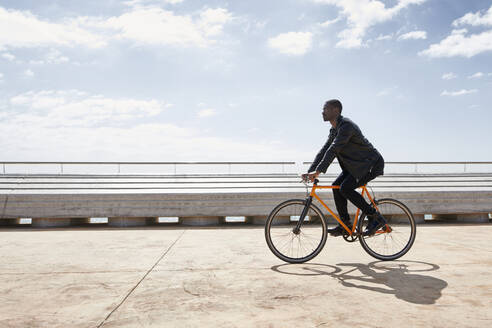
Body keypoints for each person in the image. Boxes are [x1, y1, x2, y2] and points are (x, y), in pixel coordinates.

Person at [302, 99, 386, 236]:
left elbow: (333, 150)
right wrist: (310, 171)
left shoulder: (347, 126)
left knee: (345, 188)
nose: (322, 112)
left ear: (335, 110)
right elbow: (324, 151)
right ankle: (345, 224)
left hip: (370, 164)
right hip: (356, 167)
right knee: (336, 186)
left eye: (325, 109)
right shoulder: (335, 129)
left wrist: (317, 172)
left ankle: (376, 219)